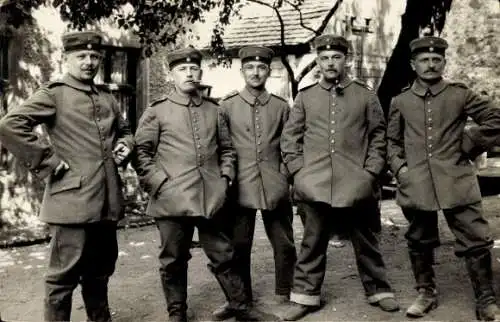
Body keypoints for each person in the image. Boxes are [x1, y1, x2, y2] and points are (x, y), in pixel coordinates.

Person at [132, 46, 278, 322]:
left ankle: (241, 306)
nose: (188, 73)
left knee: (224, 253)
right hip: (171, 200)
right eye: (182, 69)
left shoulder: (214, 109)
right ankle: (177, 313)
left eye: (193, 69)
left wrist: (225, 178)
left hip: (210, 197)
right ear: (171, 74)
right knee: (173, 259)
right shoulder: (157, 111)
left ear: (200, 72)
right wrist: (159, 183)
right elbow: (141, 154)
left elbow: (227, 150)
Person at [0, 30, 133, 322]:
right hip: (71, 201)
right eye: (81, 56)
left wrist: (125, 145)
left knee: (99, 272)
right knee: (62, 279)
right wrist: (48, 160)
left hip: (106, 199)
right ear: (67, 58)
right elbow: (11, 125)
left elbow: (124, 131)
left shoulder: (106, 97)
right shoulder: (54, 93)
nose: (89, 62)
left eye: (94, 57)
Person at [280, 34, 399, 321]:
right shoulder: (306, 97)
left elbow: (378, 137)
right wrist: (300, 173)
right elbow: (290, 140)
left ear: (347, 60)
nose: (330, 63)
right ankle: (305, 297)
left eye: (336, 57)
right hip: (315, 184)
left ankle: (378, 290)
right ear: (318, 61)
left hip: (357, 183)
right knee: (312, 242)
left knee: (366, 240)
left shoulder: (366, 95)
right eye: (324, 58)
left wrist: (369, 173)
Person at [387, 36, 500, 321]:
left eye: (436, 59)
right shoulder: (400, 100)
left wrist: (469, 143)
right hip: (417, 182)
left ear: (444, 62)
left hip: (456, 180)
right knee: (419, 239)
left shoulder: (459, 94)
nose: (430, 64)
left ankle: (486, 300)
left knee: (475, 240)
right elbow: (391, 141)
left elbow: (496, 119)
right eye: (424, 60)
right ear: (413, 64)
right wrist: (401, 169)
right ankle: (426, 293)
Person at [212, 46, 297, 320]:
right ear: (242, 71)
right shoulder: (226, 106)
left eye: (261, 68)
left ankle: (285, 292)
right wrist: (226, 178)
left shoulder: (281, 107)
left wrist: (285, 175)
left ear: (268, 71)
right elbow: (222, 146)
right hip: (240, 184)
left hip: (275, 182)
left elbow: (290, 144)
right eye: (250, 67)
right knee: (239, 244)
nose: (256, 72)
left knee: (284, 242)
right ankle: (239, 298)